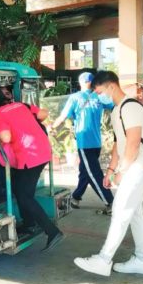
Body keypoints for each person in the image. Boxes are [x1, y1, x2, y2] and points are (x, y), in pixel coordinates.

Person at [74, 71, 143, 277]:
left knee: (120, 211)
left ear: (111, 86)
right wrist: (110, 170)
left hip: (139, 166)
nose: (99, 96)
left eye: (100, 92)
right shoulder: (117, 110)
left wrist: (121, 172)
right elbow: (119, 143)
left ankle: (103, 259)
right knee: (135, 214)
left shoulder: (131, 107)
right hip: (133, 166)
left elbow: (134, 143)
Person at [0, 88, 64, 251]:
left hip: (29, 155)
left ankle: (52, 231)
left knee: (24, 195)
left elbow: (6, 137)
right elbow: (44, 113)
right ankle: (29, 224)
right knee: (19, 188)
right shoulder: (21, 106)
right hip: (42, 150)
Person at [49, 72, 114, 214]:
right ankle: (76, 197)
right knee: (86, 171)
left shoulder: (75, 98)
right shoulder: (100, 96)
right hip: (97, 142)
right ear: (93, 82)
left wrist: (51, 127)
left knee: (94, 174)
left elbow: (63, 116)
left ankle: (111, 203)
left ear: (80, 83)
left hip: (84, 142)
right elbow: (114, 103)